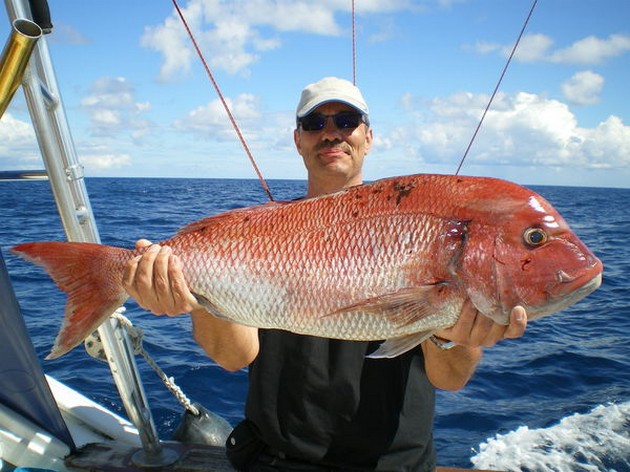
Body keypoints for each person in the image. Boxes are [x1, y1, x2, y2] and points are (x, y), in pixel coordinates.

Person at [122, 77, 527, 471]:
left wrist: (449, 338)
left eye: (346, 121)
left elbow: (450, 380)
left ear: (368, 137)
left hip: (394, 463)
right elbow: (233, 357)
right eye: (315, 124)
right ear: (298, 140)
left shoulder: (419, 231)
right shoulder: (258, 234)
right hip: (273, 459)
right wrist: (192, 290)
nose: (331, 133)